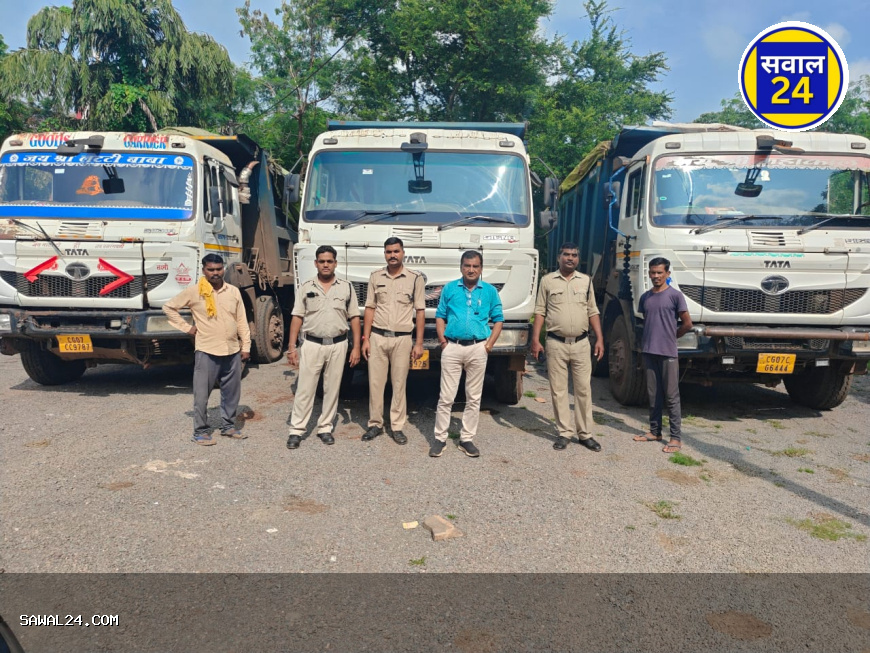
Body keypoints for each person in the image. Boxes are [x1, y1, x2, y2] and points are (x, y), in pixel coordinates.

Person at [163, 254, 251, 445]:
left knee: (231, 393)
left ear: (223, 269)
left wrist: (246, 346)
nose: (215, 273)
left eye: (218, 269)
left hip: (232, 350)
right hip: (207, 350)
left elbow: (241, 320)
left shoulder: (233, 291)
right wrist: (187, 328)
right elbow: (169, 307)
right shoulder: (194, 292)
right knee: (202, 395)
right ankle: (200, 431)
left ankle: (228, 426)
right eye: (211, 270)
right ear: (204, 270)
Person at [530, 242, 604, 451]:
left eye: (574, 255)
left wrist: (600, 339)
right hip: (556, 343)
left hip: (581, 344)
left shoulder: (586, 281)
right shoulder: (547, 281)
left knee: (583, 389)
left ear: (578, 259)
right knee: (559, 390)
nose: (570, 258)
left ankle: (585, 434)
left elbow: (593, 311)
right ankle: (564, 433)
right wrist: (535, 340)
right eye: (566, 254)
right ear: (559, 257)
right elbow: (540, 311)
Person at [286, 246, 361, 449]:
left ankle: (325, 428)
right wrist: (292, 347)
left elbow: (354, 317)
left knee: (332, 389)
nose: (325, 265)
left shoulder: (346, 287)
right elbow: (297, 317)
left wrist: (356, 347)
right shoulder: (306, 287)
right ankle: (296, 430)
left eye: (329, 261)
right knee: (305, 389)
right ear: (316, 263)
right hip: (312, 344)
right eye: (322, 261)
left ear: (335, 263)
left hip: (338, 344)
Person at [430, 251, 504, 458]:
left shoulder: (489, 291)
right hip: (452, 347)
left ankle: (466, 439)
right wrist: (443, 342)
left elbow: (499, 319)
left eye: (475, 266)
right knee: (446, 397)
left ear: (481, 268)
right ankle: (440, 438)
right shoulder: (450, 288)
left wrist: (488, 345)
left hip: (478, 347)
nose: (471, 270)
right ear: (461, 267)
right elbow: (440, 315)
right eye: (467, 266)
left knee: (474, 397)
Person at [361, 237, 425, 444]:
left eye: (396, 251)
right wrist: (365, 339)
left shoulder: (415, 278)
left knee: (399, 384)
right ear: (384, 254)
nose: (392, 255)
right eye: (388, 252)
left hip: (402, 339)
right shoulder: (375, 276)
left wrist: (419, 343)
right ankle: (375, 424)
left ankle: (397, 426)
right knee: (375, 383)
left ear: (403, 253)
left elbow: (420, 311)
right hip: (378, 337)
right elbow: (370, 308)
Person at [632, 257, 693, 453]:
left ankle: (675, 438)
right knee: (653, 394)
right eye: (652, 272)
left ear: (667, 274)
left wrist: (672, 336)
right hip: (649, 352)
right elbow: (647, 321)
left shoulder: (675, 296)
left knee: (671, 396)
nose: (656, 276)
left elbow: (687, 324)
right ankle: (655, 431)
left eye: (659, 272)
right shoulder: (645, 297)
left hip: (668, 353)